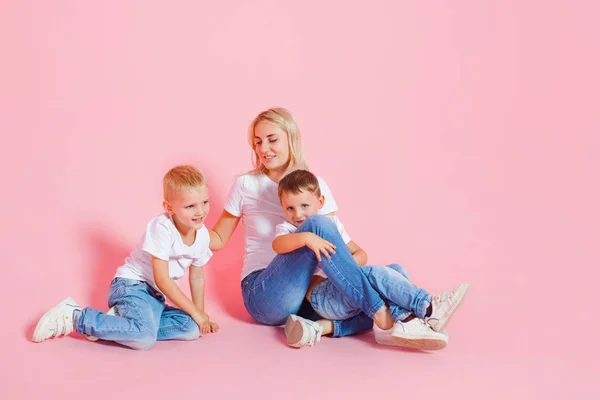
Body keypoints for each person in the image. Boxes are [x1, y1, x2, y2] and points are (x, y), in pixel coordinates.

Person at [210, 107, 416, 347]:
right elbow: (218, 238)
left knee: (396, 274)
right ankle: (385, 313)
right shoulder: (246, 184)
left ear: (292, 138)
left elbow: (340, 246)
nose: (264, 149)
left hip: (312, 296)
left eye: (272, 139)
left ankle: (324, 327)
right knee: (318, 226)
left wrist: (342, 269)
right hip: (265, 294)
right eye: (257, 142)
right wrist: (184, 228)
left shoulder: (315, 185)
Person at [274, 169, 468, 350]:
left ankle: (394, 328)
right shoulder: (290, 230)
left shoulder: (330, 225)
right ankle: (427, 308)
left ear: (320, 202)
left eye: (304, 206)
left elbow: (361, 254)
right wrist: (306, 238)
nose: (298, 214)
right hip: (324, 297)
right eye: (290, 208)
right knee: (375, 276)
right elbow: (278, 245)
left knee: (396, 270)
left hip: (349, 291)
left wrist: (342, 268)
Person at [32, 165, 219, 350]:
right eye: (190, 206)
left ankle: (117, 324)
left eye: (204, 202)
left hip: (154, 298)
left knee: (191, 328)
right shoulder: (162, 228)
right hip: (132, 287)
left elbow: (197, 277)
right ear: (169, 208)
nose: (200, 211)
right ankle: (75, 317)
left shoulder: (202, 235)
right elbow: (162, 279)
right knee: (145, 338)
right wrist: (195, 312)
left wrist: (200, 315)